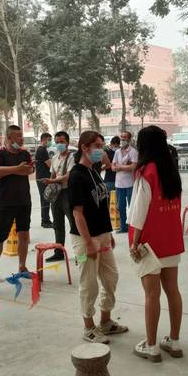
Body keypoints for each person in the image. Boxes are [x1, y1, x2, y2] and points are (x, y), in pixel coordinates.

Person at [128, 126, 185, 362]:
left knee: (152, 295)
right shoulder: (171, 170)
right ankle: (174, 341)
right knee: (173, 290)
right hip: (171, 239)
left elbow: (138, 212)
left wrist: (134, 242)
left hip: (150, 242)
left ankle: (151, 346)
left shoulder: (146, 172)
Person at [69, 130, 127, 344]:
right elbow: (77, 213)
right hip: (85, 240)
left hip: (102, 235)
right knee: (89, 283)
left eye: (102, 146)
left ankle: (106, 321)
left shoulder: (93, 171)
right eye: (97, 146)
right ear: (85, 148)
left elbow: (101, 206)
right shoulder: (76, 175)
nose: (101, 151)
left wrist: (108, 233)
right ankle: (89, 327)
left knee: (111, 277)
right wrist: (88, 243)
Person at [0, 126, 34, 285]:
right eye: (18, 136)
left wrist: (11, 170)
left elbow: (29, 170)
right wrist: (18, 169)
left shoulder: (24, 153)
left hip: (24, 200)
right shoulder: (1, 153)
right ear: (9, 138)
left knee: (24, 235)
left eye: (22, 135)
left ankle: (22, 266)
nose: (21, 139)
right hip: (6, 201)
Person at [42, 131, 75, 263]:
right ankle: (59, 252)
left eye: (62, 142)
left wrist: (52, 181)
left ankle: (80, 255)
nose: (59, 144)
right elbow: (53, 174)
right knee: (57, 224)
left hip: (68, 193)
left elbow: (68, 176)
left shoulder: (72, 157)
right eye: (57, 142)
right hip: (57, 195)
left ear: (67, 142)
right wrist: (50, 186)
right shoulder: (55, 158)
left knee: (75, 224)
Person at [112, 131, 138, 233]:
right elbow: (113, 167)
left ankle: (133, 227)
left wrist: (119, 166)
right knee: (120, 207)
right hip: (119, 184)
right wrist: (125, 166)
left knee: (132, 206)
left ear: (129, 139)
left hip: (130, 183)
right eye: (121, 137)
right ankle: (123, 227)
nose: (123, 139)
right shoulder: (117, 152)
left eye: (125, 137)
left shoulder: (133, 152)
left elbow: (133, 167)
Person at [34, 132, 53, 228]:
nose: (50, 142)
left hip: (42, 177)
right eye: (49, 140)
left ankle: (46, 219)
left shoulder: (42, 149)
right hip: (43, 178)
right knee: (45, 199)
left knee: (45, 199)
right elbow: (50, 165)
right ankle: (45, 221)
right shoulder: (42, 150)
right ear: (43, 140)